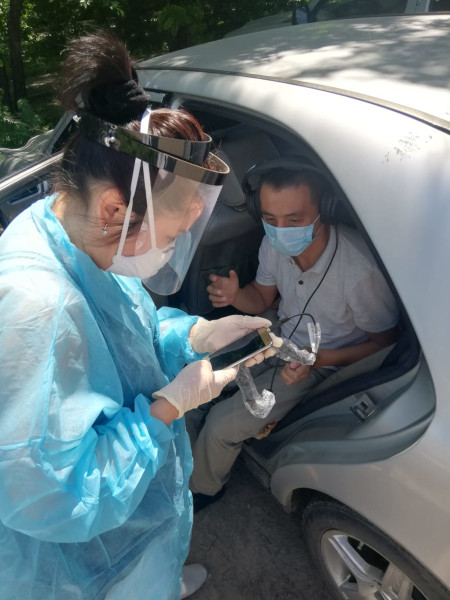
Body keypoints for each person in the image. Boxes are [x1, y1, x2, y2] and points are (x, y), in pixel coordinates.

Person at [0, 33, 275, 600]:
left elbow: (129, 339)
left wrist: (195, 333)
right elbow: (52, 498)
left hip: (138, 535)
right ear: (113, 210)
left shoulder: (75, 232)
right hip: (88, 565)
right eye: (173, 236)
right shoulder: (37, 307)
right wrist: (168, 407)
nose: (174, 252)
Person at [188, 160, 399, 510]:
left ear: (324, 212)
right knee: (200, 377)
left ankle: (204, 488)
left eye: (294, 220)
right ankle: (187, 457)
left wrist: (318, 359)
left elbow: (385, 343)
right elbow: (261, 299)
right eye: (270, 219)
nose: (280, 230)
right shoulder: (274, 245)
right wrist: (235, 295)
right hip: (279, 331)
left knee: (220, 426)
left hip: (325, 360)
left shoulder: (360, 272)